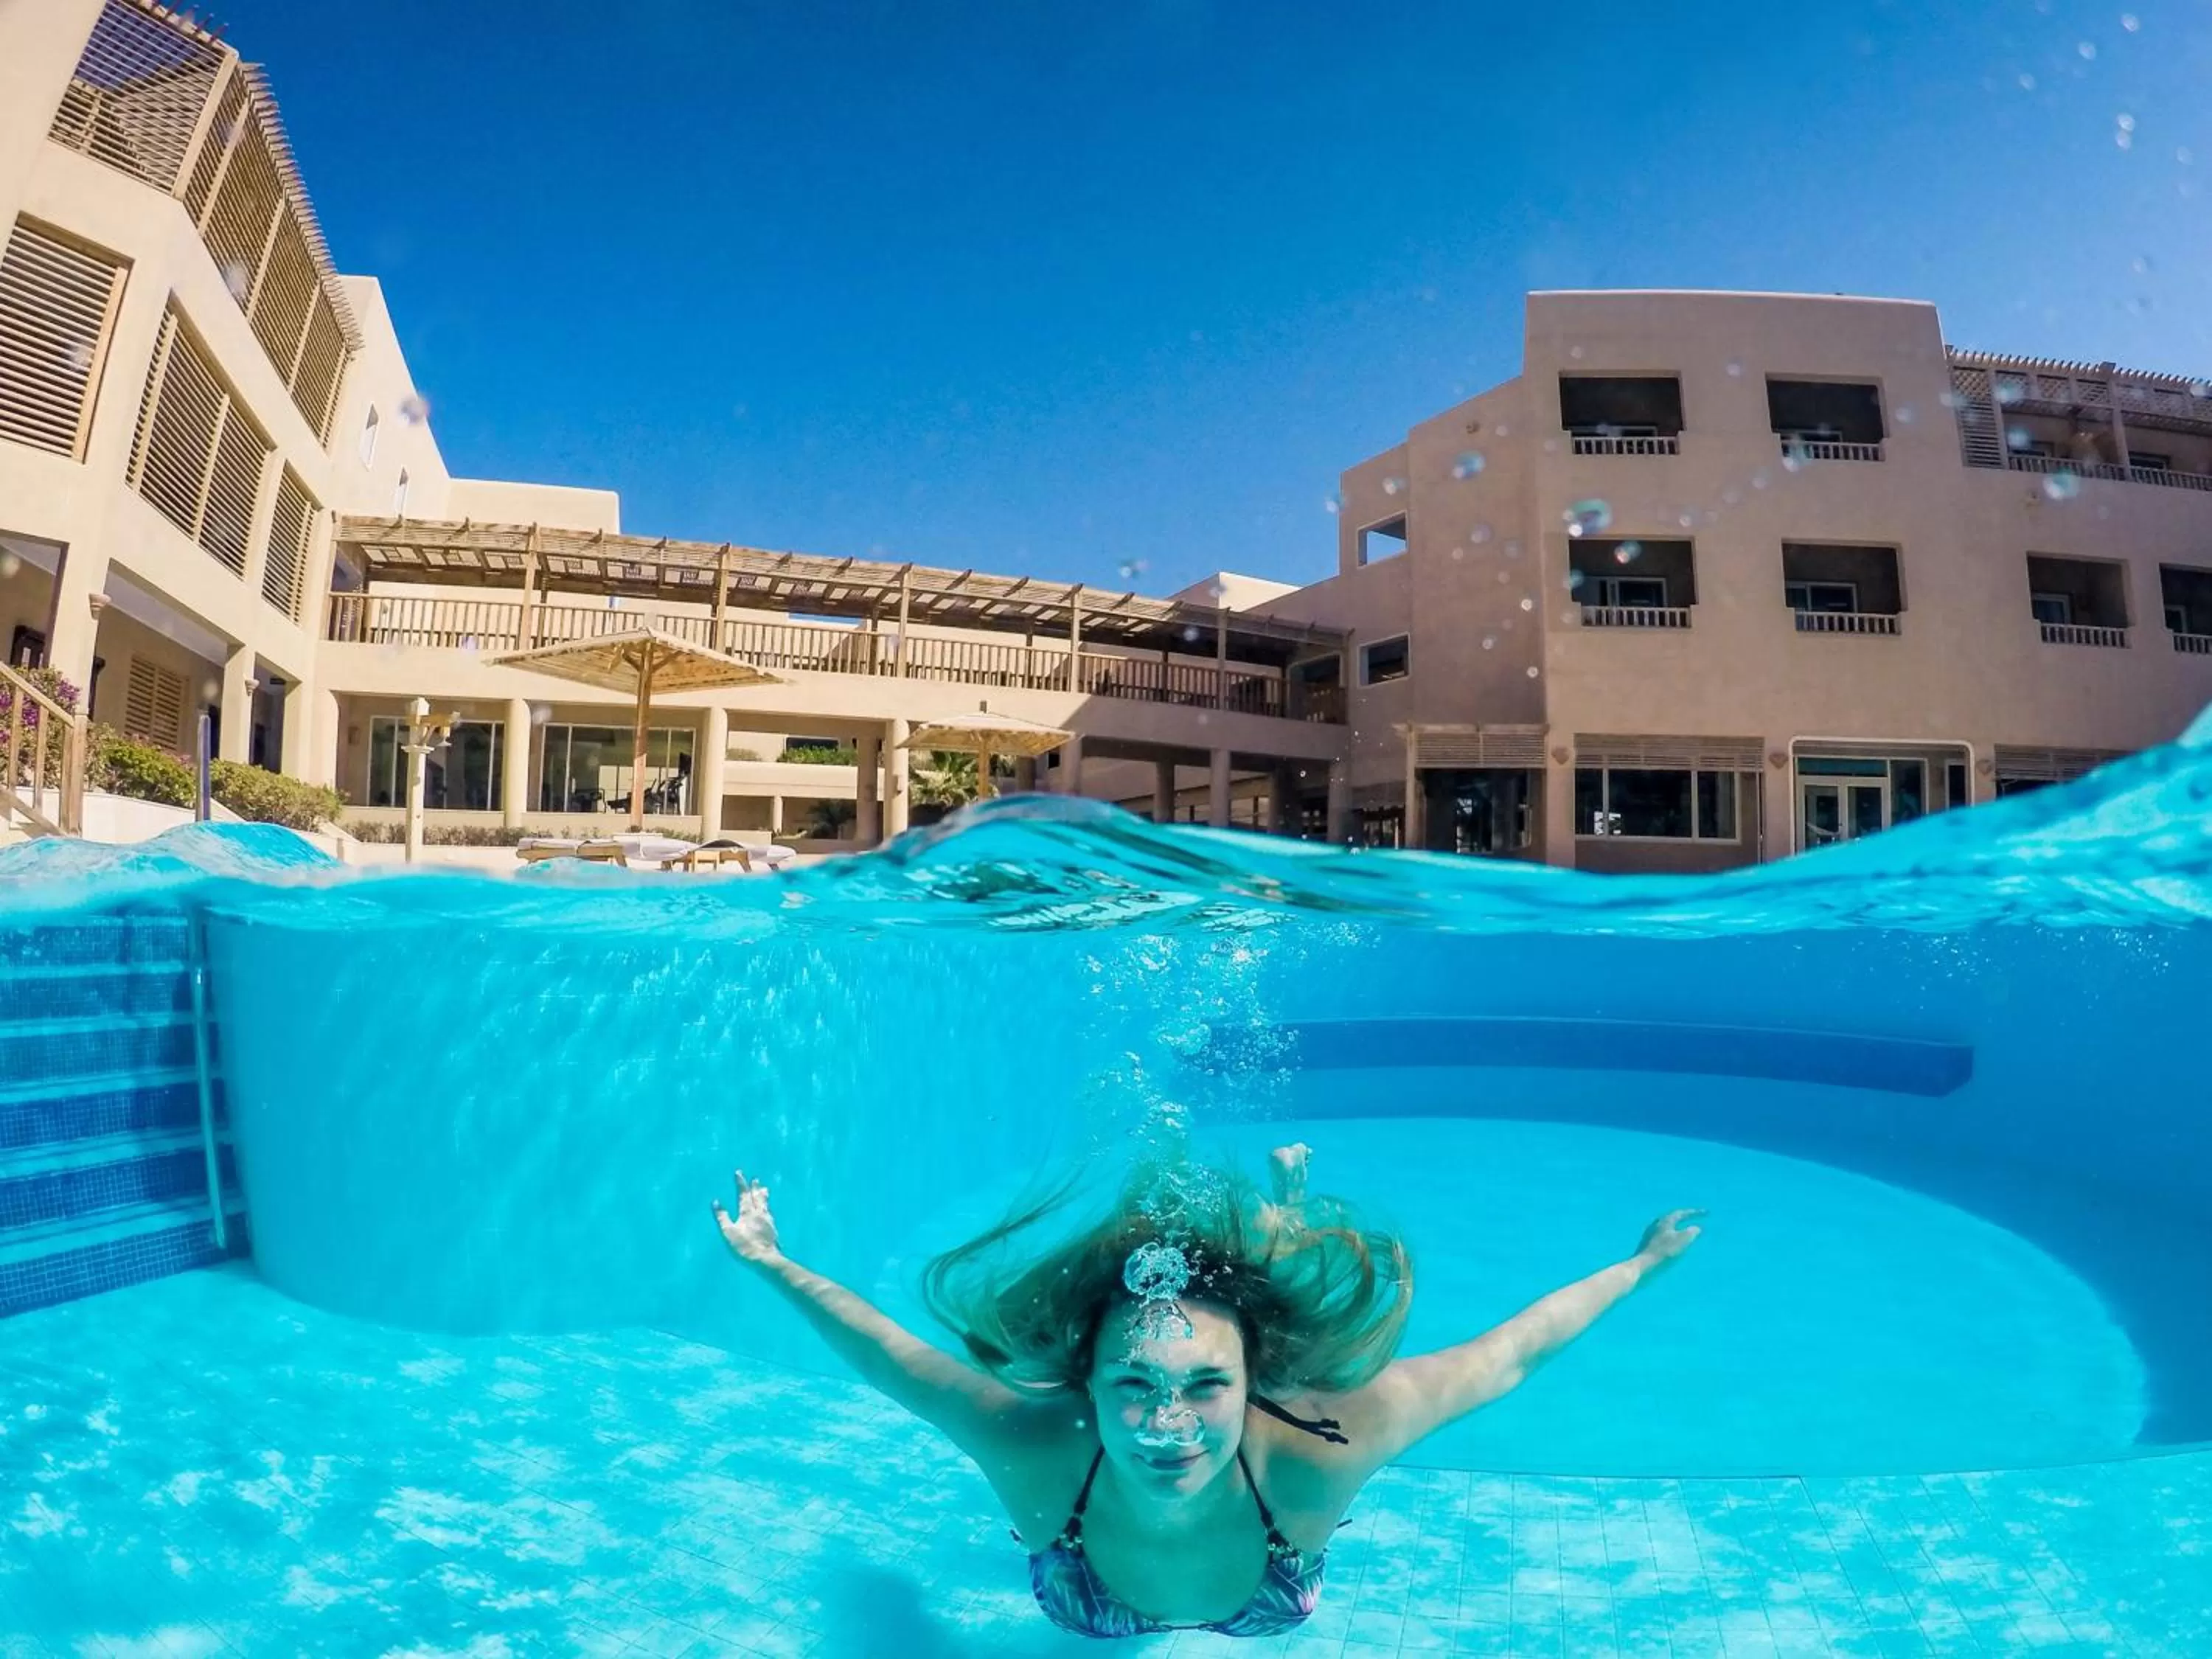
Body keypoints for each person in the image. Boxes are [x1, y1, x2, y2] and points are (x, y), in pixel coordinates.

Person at [712, 1143, 1700, 1638]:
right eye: (1132, 1381)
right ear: (1084, 1384)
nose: (1166, 1423)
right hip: (1083, 1576)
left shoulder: (1329, 1448)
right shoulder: (1034, 1447)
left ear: (1253, 1380)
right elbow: (887, 1353)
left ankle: (1287, 1216)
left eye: (1206, 1382)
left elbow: (1511, 1352)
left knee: (1271, 1292)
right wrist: (769, 1262)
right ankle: (1282, 1215)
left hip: (1262, 1563)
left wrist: (1642, 1265)